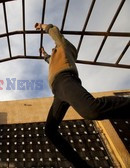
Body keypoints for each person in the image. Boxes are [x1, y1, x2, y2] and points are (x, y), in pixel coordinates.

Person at [35, 23, 130, 167]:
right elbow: (50, 60)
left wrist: (44, 26)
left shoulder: (63, 46)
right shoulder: (56, 57)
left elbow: (55, 33)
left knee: (91, 110)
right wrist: (44, 55)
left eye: (55, 48)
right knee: (50, 130)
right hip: (58, 92)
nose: (53, 50)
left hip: (65, 81)